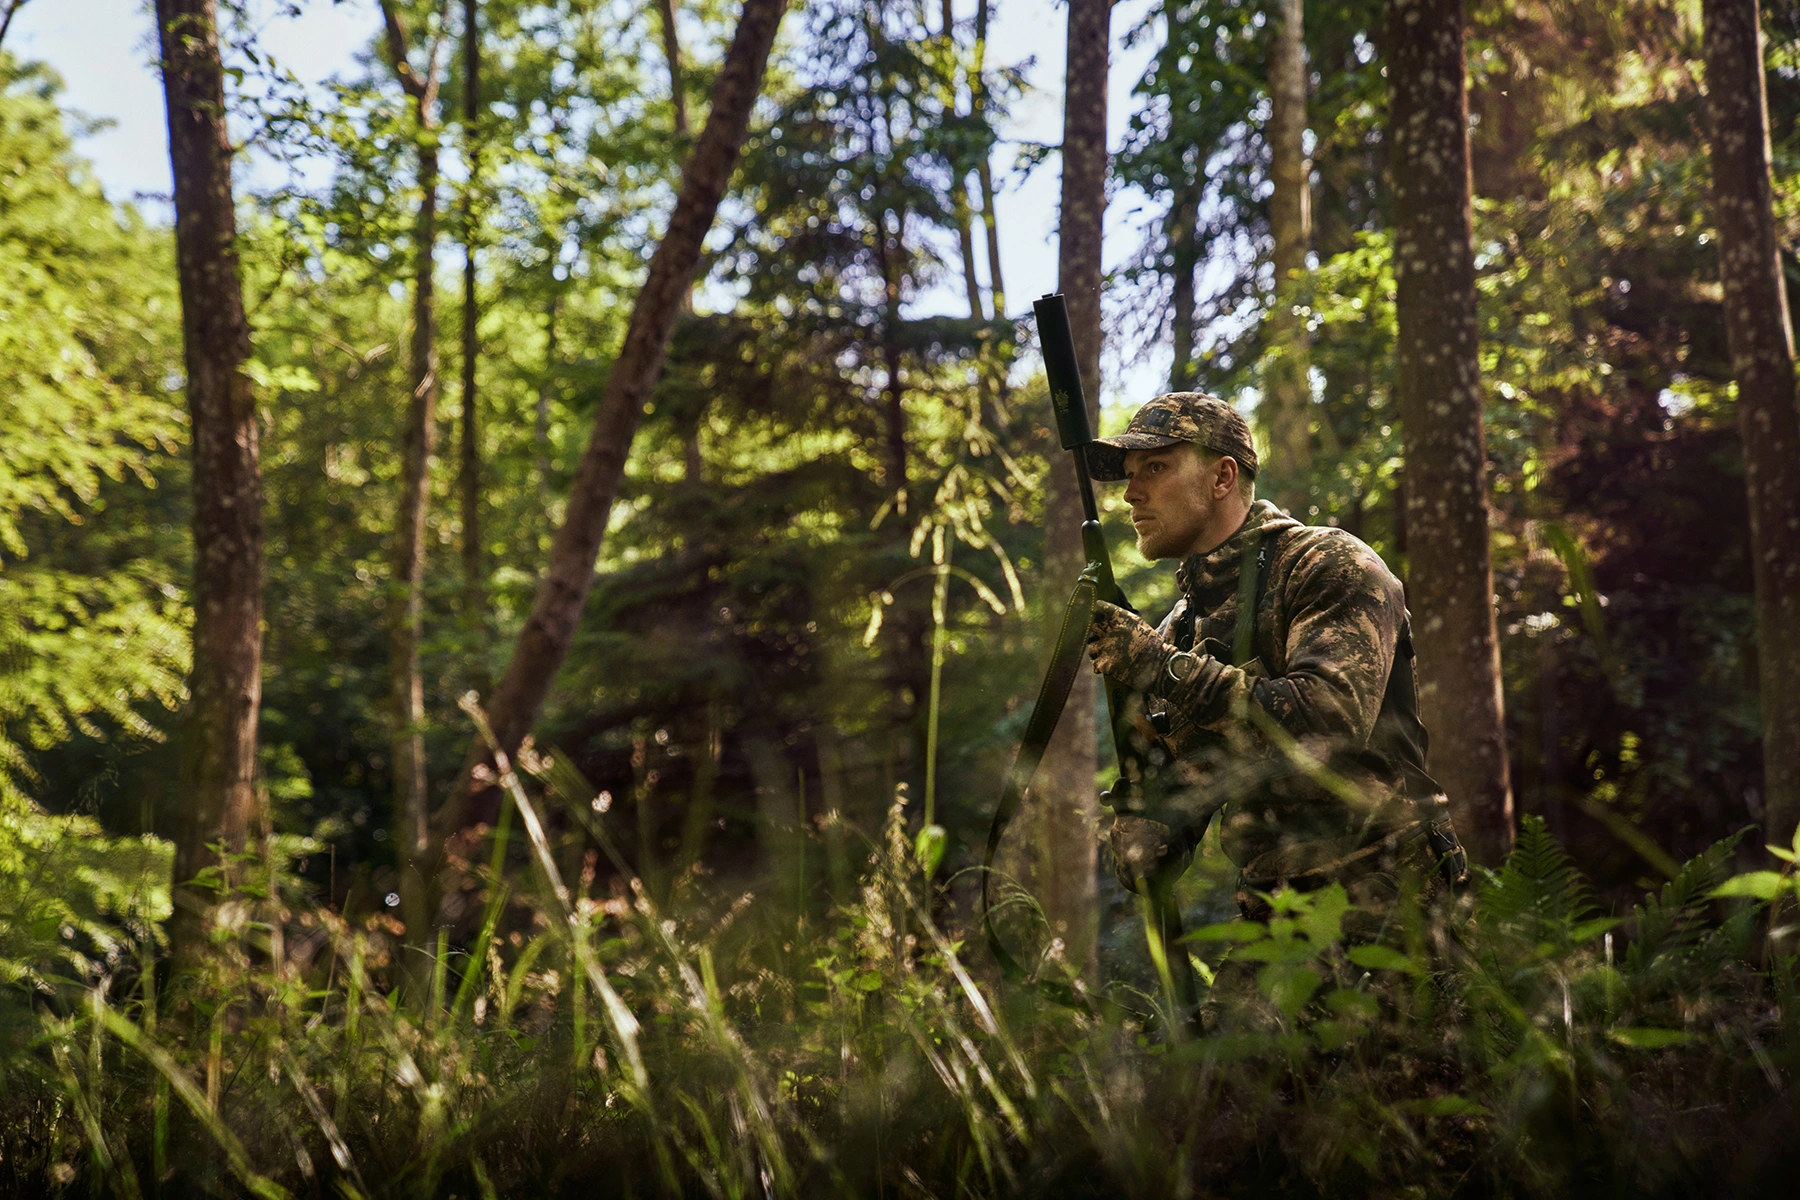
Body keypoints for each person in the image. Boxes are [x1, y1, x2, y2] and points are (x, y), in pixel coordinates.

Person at [1081, 392, 1466, 928]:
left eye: (1155, 467)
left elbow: (1328, 725)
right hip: (1274, 913)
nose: (1131, 493)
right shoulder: (1180, 630)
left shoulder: (1329, 565)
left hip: (1392, 902)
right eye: (1129, 474)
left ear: (1222, 477)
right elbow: (1167, 831)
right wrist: (1147, 823)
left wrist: (1161, 667)